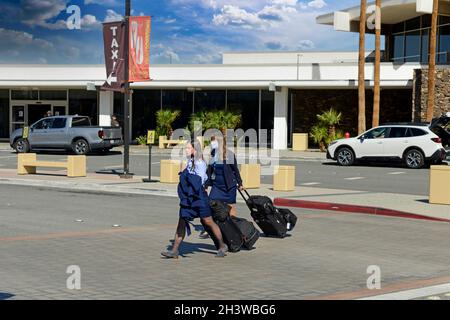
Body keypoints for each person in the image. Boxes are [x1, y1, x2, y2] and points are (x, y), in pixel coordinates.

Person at [161, 139, 229, 259]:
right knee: (181, 222)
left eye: (188, 148)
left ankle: (222, 245)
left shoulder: (200, 163)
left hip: (199, 197)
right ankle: (175, 250)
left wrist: (186, 176)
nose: (186, 150)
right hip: (189, 198)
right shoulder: (190, 161)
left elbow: (199, 181)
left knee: (208, 222)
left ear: (194, 149)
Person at [207, 135, 244, 218]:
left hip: (229, 186)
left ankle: (233, 226)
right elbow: (209, 170)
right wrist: (205, 185)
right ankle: (217, 225)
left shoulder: (229, 154)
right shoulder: (213, 154)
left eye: (214, 141)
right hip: (217, 186)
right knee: (211, 203)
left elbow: (235, 170)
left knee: (231, 207)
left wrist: (240, 183)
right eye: (212, 141)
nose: (212, 144)